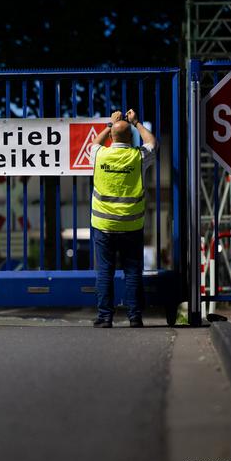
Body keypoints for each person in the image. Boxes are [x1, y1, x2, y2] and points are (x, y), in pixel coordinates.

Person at [89, 109, 156, 328]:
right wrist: (136, 122)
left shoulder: (99, 154)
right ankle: (135, 317)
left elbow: (94, 143)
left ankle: (104, 317)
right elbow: (152, 143)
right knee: (133, 272)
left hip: (103, 225)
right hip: (132, 225)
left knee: (105, 272)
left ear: (111, 138)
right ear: (131, 138)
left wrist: (110, 124)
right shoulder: (138, 157)